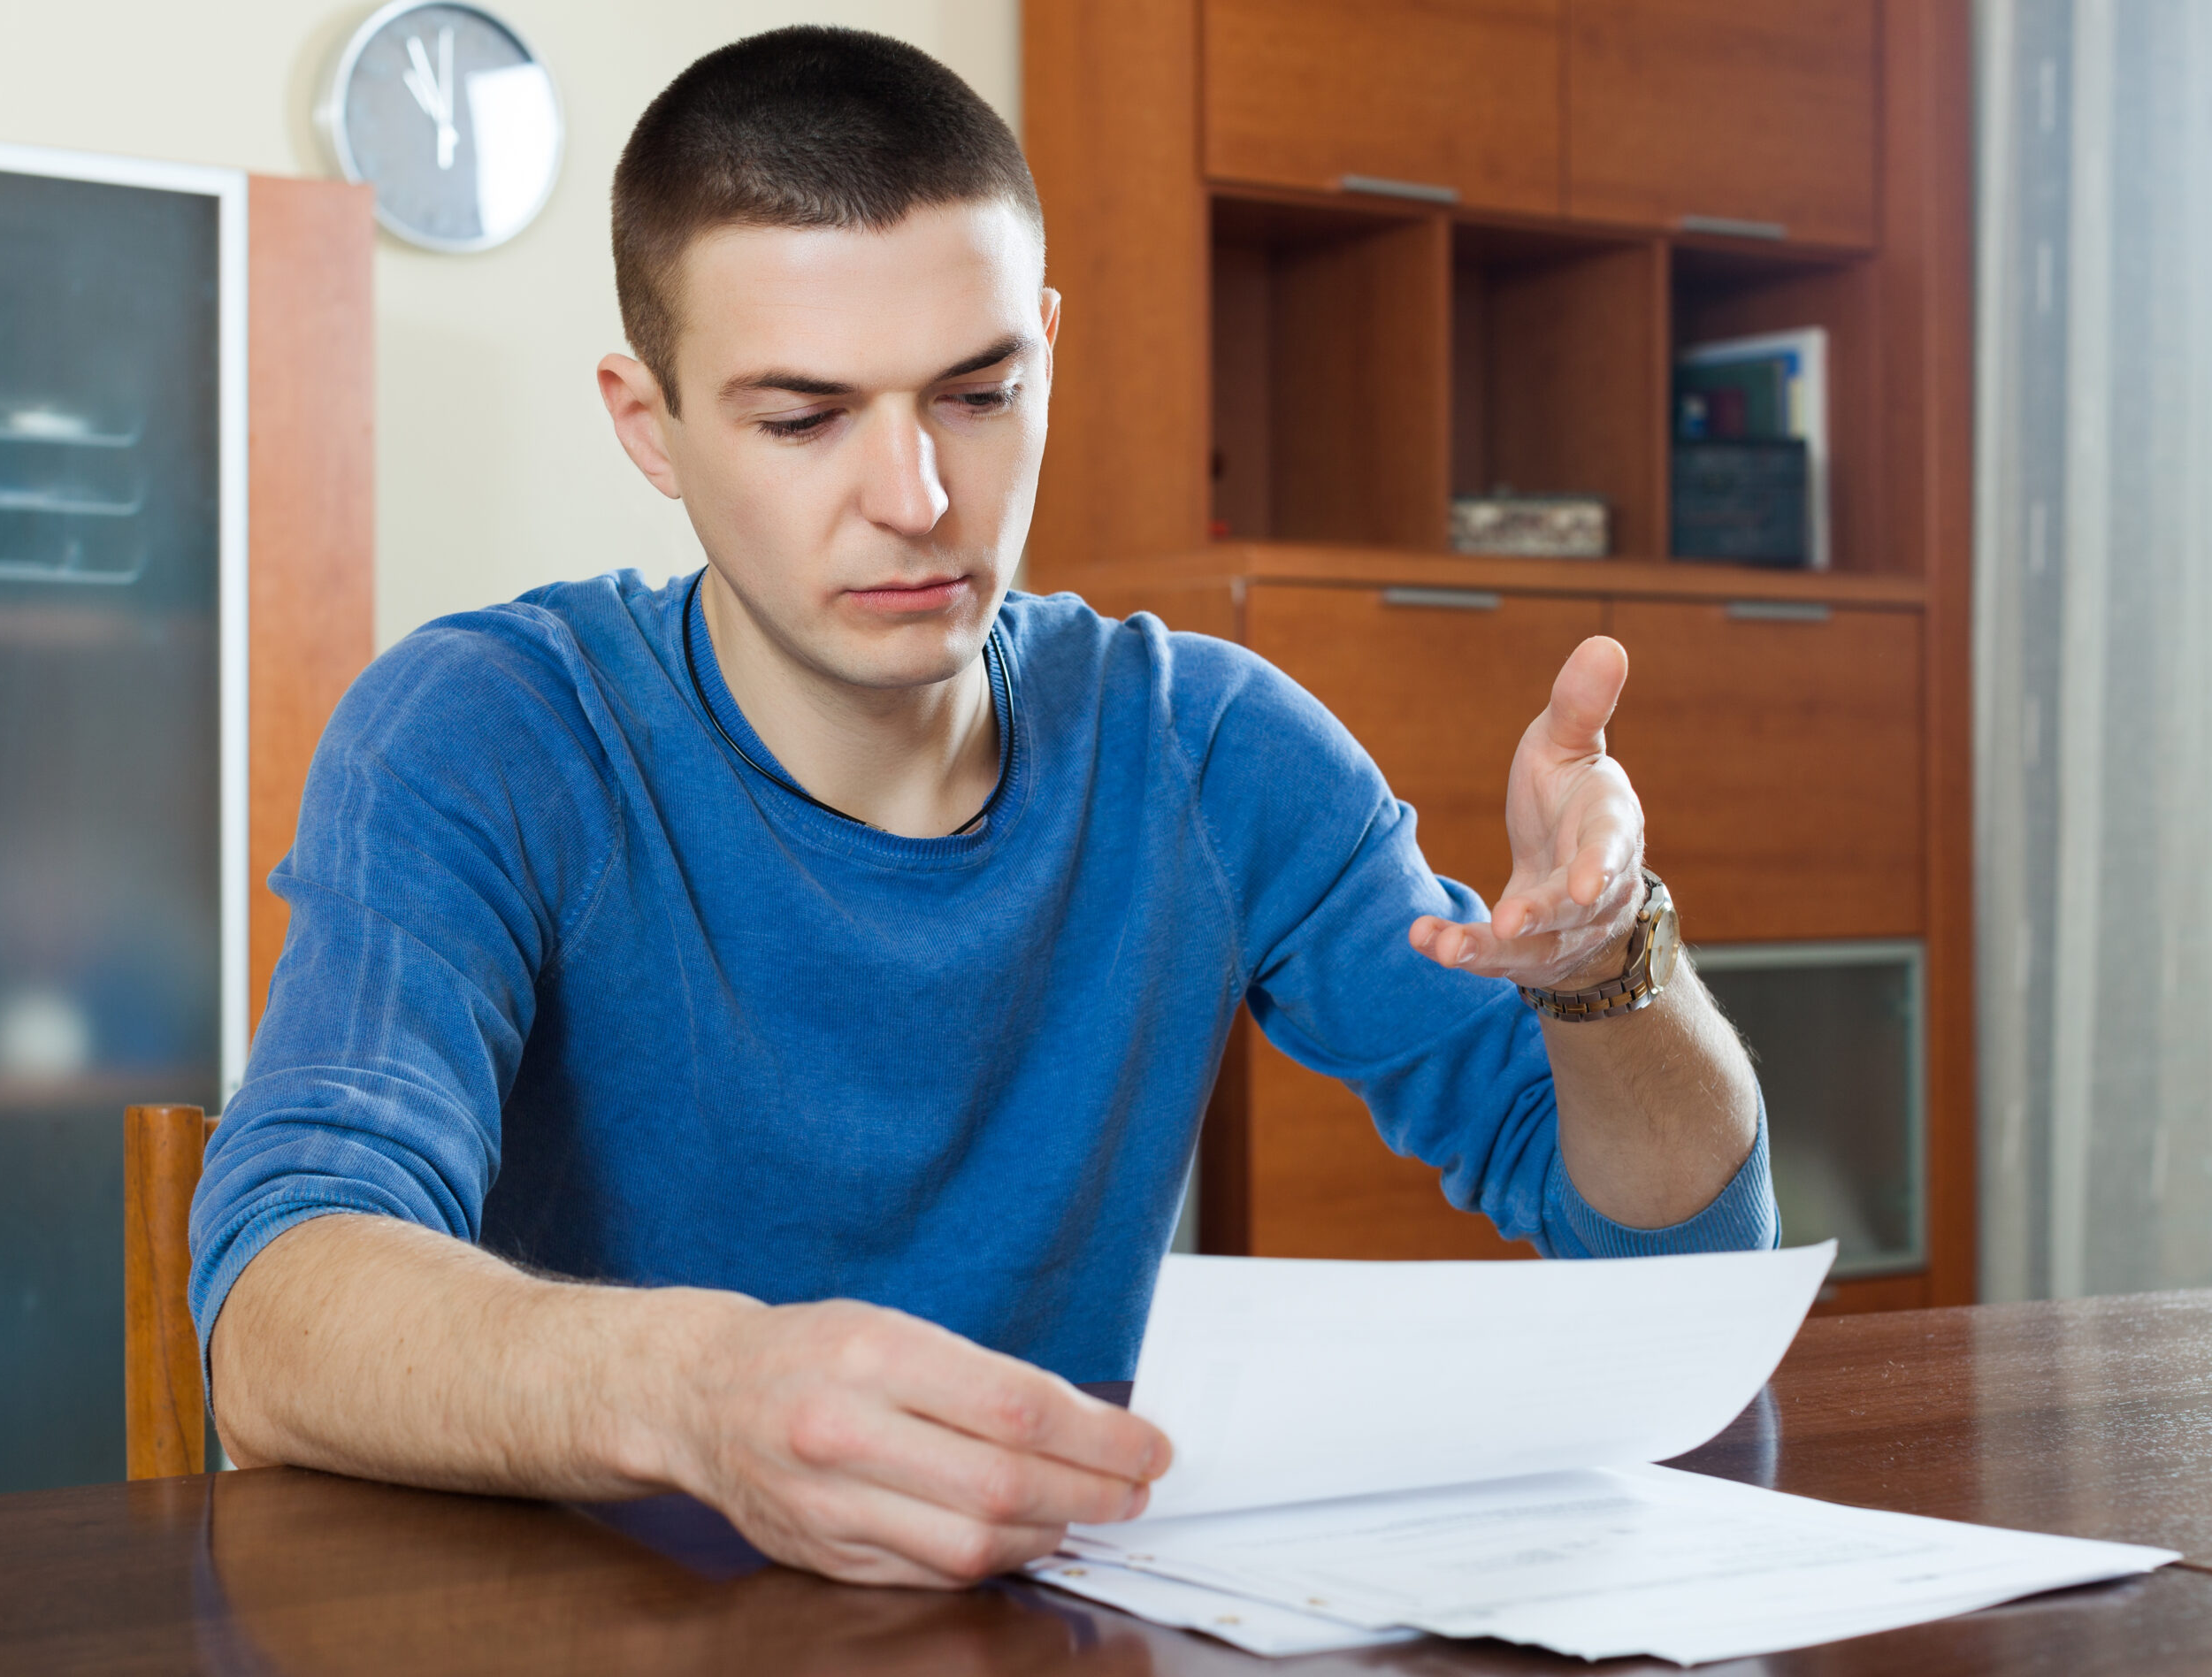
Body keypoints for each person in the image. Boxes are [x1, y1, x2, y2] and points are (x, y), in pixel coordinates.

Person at [195, 26, 1773, 1589]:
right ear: (646, 422)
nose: (916, 498)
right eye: (803, 418)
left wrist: (1610, 971)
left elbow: (1678, 1268)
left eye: (976, 391)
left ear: (1047, 350)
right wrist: (701, 1392)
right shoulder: (485, 733)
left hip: (1047, 1620)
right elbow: (281, 1307)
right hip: (594, 1633)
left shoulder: (1210, 748)